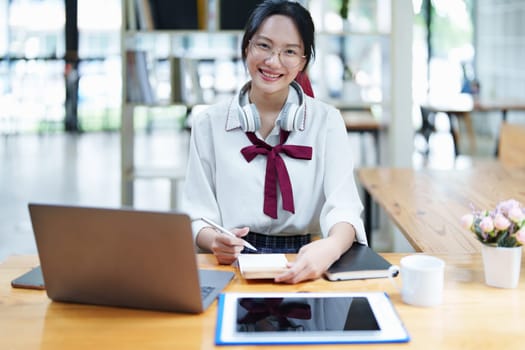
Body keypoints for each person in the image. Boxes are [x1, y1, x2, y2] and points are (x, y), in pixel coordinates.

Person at [181, 0, 367, 284]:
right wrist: (214, 241)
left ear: (303, 61)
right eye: (264, 46)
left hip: (307, 260)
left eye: (289, 51)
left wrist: (330, 248)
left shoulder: (327, 122)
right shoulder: (209, 124)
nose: (273, 61)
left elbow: (344, 207)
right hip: (232, 263)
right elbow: (197, 214)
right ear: (246, 48)